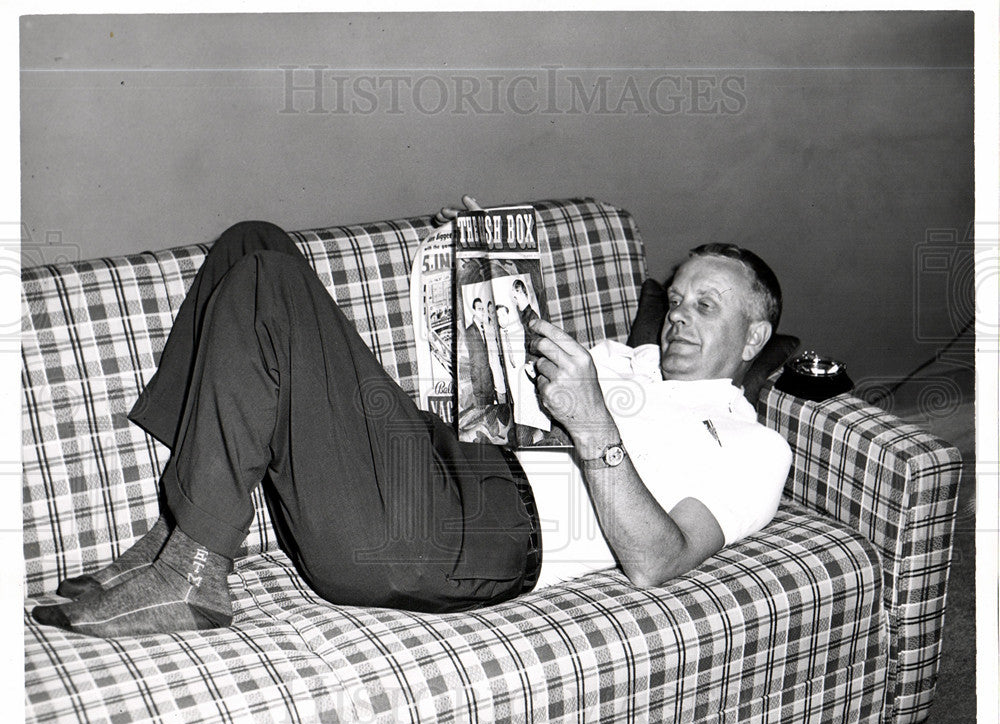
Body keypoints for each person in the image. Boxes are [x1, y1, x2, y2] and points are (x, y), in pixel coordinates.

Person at [32, 198, 790, 638]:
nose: (678, 317)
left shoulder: (751, 446)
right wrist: (483, 298)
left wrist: (594, 425)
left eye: (705, 306)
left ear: (754, 336)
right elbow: (503, 411)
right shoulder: (622, 361)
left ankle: (192, 569)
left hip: (483, 535)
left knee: (266, 281)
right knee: (253, 243)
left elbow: (657, 559)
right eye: (679, 297)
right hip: (444, 456)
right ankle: (177, 532)